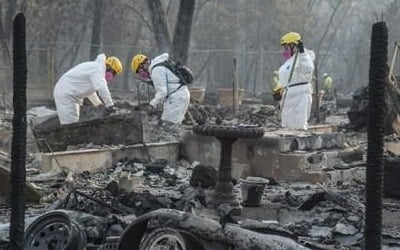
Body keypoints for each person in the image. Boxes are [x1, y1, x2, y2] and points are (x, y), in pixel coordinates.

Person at [53, 54, 122, 124]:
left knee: (72, 123)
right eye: (113, 73)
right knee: (69, 125)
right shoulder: (98, 69)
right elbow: (102, 88)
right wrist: (110, 105)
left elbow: (91, 92)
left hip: (68, 93)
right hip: (66, 94)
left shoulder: (95, 69)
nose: (112, 76)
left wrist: (99, 104)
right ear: (109, 67)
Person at [131, 53, 190, 125]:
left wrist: (152, 104)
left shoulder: (156, 70)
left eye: (139, 71)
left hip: (176, 99)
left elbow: (162, 92)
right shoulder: (158, 65)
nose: (141, 74)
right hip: (178, 97)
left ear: (142, 65)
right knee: (169, 125)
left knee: (169, 126)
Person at [278, 32, 315, 130]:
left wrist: (302, 53)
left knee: (298, 125)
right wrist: (279, 91)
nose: (285, 50)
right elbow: (285, 78)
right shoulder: (289, 62)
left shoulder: (304, 58)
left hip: (300, 96)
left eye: (286, 47)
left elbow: (308, 68)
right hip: (288, 97)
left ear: (293, 45)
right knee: (286, 125)